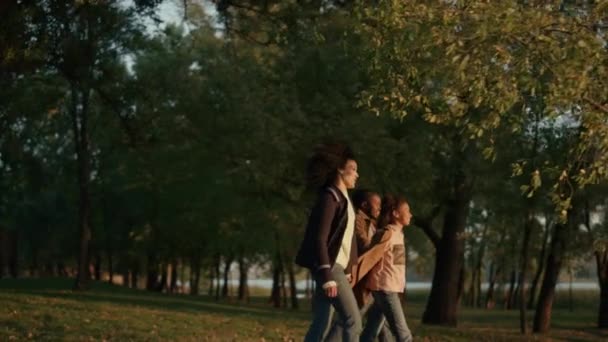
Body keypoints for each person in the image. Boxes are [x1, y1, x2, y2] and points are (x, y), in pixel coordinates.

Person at [295, 142, 362, 342]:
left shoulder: (344, 199)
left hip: (336, 268)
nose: (357, 175)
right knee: (353, 320)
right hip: (330, 268)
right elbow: (320, 238)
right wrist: (327, 274)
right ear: (340, 170)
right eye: (353, 170)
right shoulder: (330, 197)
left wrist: (349, 267)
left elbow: (347, 239)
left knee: (322, 322)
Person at [324, 189, 394, 342]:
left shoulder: (371, 223)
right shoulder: (358, 220)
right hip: (359, 280)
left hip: (371, 280)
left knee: (378, 322)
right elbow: (363, 244)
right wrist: (382, 240)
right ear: (364, 205)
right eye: (376, 205)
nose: (379, 209)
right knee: (349, 320)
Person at [361, 195, 414, 342]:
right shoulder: (387, 233)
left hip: (389, 288)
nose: (410, 214)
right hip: (385, 288)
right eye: (407, 210)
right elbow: (370, 258)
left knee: (371, 332)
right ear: (396, 214)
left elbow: (397, 264)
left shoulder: (398, 234)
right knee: (404, 335)